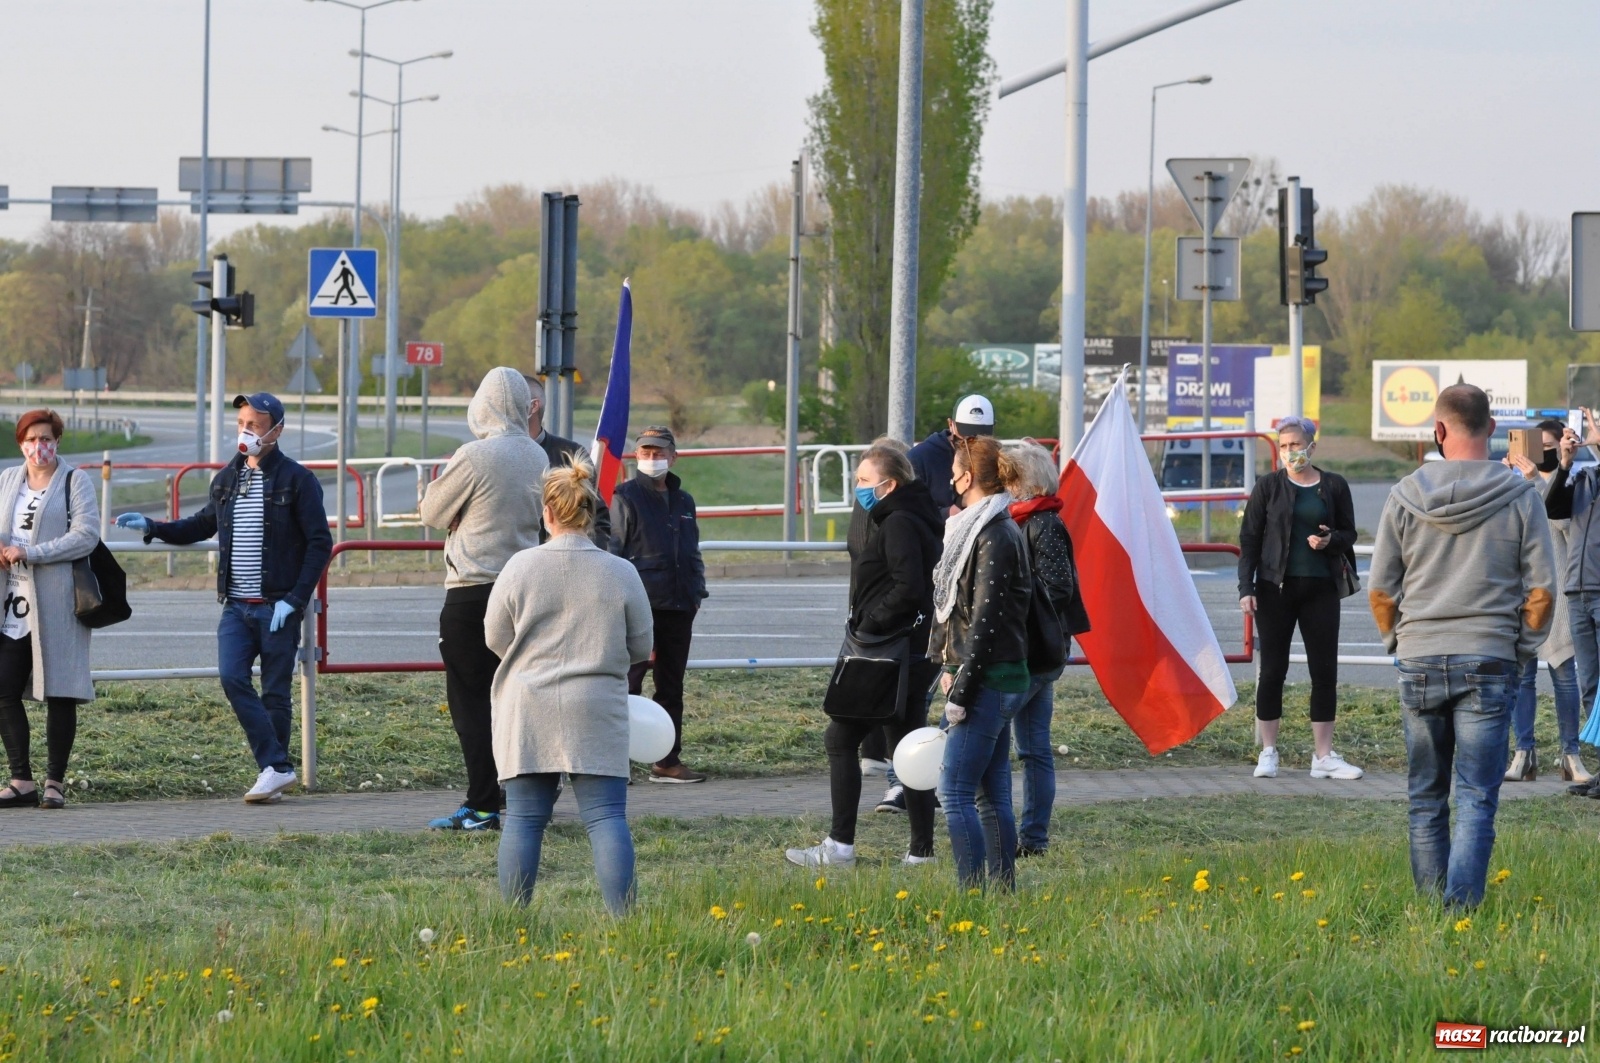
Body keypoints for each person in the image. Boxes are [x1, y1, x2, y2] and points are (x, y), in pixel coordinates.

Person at [1368, 383, 1555, 908]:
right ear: (1493, 429)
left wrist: (1398, 641)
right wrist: (1521, 649)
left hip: (1421, 655)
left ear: (1439, 430)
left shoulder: (1403, 495)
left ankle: (1430, 911)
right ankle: (1460, 912)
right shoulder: (1521, 497)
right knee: (1476, 795)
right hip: (1490, 657)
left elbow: (1381, 588)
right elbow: (1541, 591)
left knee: (1425, 795)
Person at [117, 393, 331, 804]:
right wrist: (154, 527)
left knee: (275, 693)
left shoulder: (297, 480)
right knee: (232, 677)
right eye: (242, 423)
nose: (246, 430)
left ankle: (273, 775)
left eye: (255, 423)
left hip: (277, 607)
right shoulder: (227, 479)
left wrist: (294, 599)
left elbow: (320, 544)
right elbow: (202, 525)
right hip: (236, 605)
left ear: (277, 430)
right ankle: (278, 767)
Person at [487, 459, 653, 916]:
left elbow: (493, 636)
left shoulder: (519, 567)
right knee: (606, 820)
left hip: (526, 705)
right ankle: (625, 922)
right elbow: (642, 645)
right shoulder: (620, 572)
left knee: (523, 820)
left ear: (548, 513)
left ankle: (513, 921)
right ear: (590, 512)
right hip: (596, 705)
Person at [785, 442, 944, 869]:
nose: (858, 488)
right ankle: (921, 852)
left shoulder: (898, 522)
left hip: (887, 651)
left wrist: (871, 622)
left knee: (841, 739)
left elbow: (908, 587)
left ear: (889, 484)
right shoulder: (916, 515)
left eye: (864, 481)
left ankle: (840, 848)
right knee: (905, 745)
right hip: (908, 650)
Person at [418, 367, 549, 831]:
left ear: (482, 405)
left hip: (472, 591)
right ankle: (530, 797)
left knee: (472, 701)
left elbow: (433, 513)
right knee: (518, 700)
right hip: (526, 589)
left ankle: (482, 804)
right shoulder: (537, 455)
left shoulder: (474, 456)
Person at [930, 435, 1032, 890]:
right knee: (992, 796)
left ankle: (972, 894)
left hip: (989, 679)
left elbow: (986, 621)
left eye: (954, 470)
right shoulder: (986, 526)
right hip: (993, 675)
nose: (948, 477)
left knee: (954, 793)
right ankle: (1002, 891)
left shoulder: (993, 533)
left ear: (967, 477)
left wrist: (962, 690)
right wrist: (949, 665)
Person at [1237, 416, 1363, 781]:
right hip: (1275, 589)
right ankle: (1268, 751)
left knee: (1324, 672)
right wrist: (1246, 587)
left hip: (1322, 588)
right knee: (1272, 670)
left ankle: (1323, 756)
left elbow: (1349, 533)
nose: (1291, 452)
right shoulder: (1268, 487)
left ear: (1312, 447)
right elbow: (1249, 540)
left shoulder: (1334, 485)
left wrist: (1330, 541)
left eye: (1296, 445)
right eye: (1285, 446)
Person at [0, 410, 100, 811]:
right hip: (12, 602)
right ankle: (20, 779)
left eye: (46, 439)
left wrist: (33, 553)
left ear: (57, 441)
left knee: (61, 691)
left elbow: (87, 535)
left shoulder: (75, 481)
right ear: (20, 443)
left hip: (57, 603)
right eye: (30, 439)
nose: (38, 447)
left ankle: (54, 782)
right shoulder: (8, 479)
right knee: (4, 690)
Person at [994, 441, 1090, 857]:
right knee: (1033, 748)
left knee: (993, 729)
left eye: (1008, 480)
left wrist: (1017, 608)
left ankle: (1012, 832)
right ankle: (1033, 838)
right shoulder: (1025, 519)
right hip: (1037, 648)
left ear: (1023, 482)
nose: (1004, 488)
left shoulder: (1042, 523)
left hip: (1038, 650)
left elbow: (1058, 587)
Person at [610, 425, 709, 783]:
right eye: (646, 452)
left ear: (673, 456)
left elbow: (692, 550)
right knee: (627, 683)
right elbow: (614, 552)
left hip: (680, 605)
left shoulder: (684, 501)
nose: (652, 459)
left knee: (671, 686)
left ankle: (667, 761)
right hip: (639, 604)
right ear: (636, 456)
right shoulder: (625, 497)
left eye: (659, 452)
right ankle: (614, 763)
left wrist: (697, 590)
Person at [1504, 419, 1590, 784]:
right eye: (1533, 444)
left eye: (1547, 444)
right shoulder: (1511, 481)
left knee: (1565, 677)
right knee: (1520, 678)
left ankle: (1571, 755)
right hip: (1519, 592)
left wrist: (1536, 481)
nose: (1538, 451)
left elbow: (1559, 522)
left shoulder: (1573, 482)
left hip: (1557, 592)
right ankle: (1523, 753)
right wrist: (1512, 478)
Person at [1542, 408, 1600, 796]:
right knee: (1590, 685)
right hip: (1578, 591)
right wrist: (1564, 464)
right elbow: (1551, 508)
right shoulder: (1584, 476)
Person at [523, 375, 610, 547]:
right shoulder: (492, 455)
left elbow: (596, 517)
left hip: (564, 564)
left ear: (533, 406)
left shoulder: (571, 455)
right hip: (509, 568)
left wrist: (587, 561)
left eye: (511, 402)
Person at [909, 394, 995, 518]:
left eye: (981, 439)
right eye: (965, 438)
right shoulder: (920, 457)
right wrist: (946, 513)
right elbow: (907, 510)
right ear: (951, 424)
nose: (972, 444)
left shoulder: (994, 457)